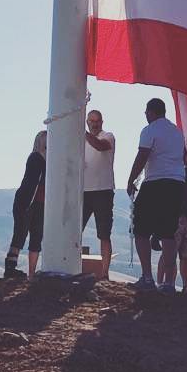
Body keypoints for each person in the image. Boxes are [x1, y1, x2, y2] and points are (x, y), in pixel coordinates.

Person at [126, 98, 186, 295]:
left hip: (156, 182)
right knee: (168, 233)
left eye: (146, 111)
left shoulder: (150, 130)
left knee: (141, 229)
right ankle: (169, 283)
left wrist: (131, 179)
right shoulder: (177, 132)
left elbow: (142, 155)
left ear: (151, 112)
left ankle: (148, 277)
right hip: (176, 183)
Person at [156, 152, 187, 293]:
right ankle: (163, 283)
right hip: (176, 216)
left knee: (186, 254)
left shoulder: (184, 173)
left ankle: (185, 286)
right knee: (169, 252)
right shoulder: (178, 172)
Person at [4, 131, 47, 279]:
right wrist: (27, 205)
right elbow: (32, 183)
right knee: (20, 234)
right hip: (27, 202)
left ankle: (31, 273)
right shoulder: (36, 158)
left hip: (39, 203)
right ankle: (10, 268)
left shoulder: (46, 160)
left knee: (36, 237)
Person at [82, 109, 115, 280]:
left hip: (103, 190)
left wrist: (82, 132)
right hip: (83, 191)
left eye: (97, 121)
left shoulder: (108, 136)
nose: (94, 124)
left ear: (101, 122)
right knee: (74, 230)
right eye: (91, 121)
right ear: (87, 122)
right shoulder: (81, 140)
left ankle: (104, 272)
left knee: (104, 233)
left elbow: (100, 146)